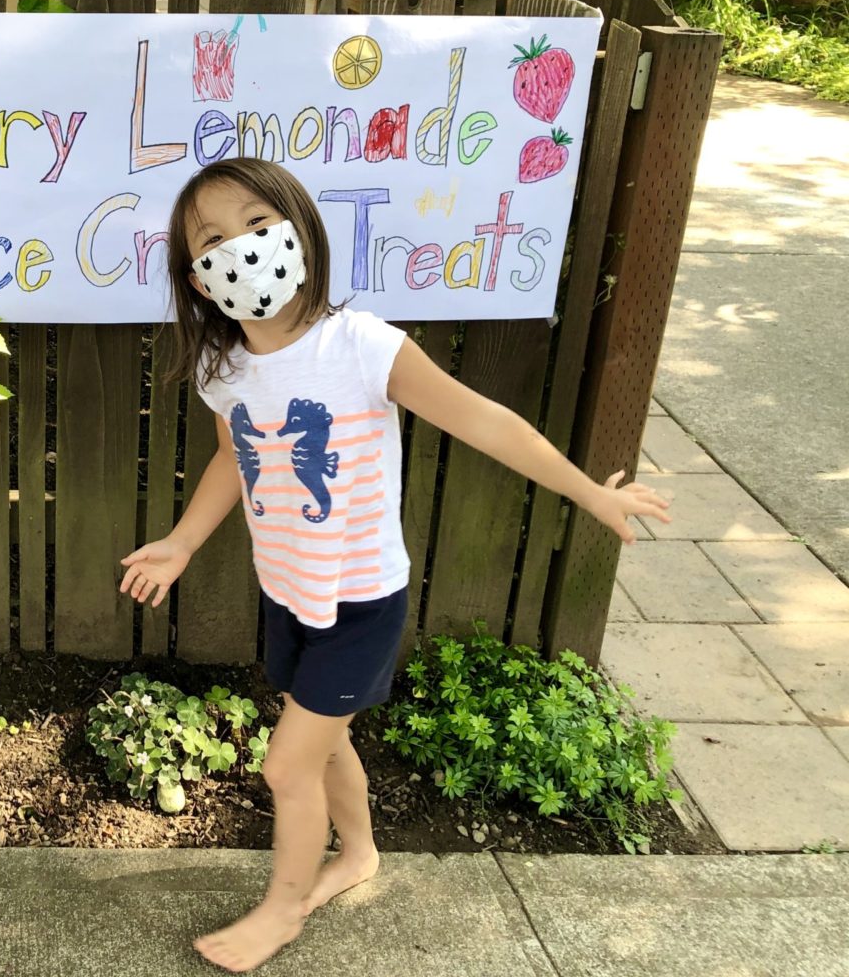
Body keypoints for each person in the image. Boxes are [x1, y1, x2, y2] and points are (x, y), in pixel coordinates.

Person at [118, 157, 671, 974]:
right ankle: (360, 855)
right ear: (197, 280)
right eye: (214, 240)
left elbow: (488, 424)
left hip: (361, 602)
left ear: (301, 232)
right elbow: (234, 460)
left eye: (259, 224)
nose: (242, 247)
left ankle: (282, 909)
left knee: (286, 764)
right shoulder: (224, 369)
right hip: (289, 593)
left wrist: (590, 493)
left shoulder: (364, 346)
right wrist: (183, 541)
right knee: (326, 741)